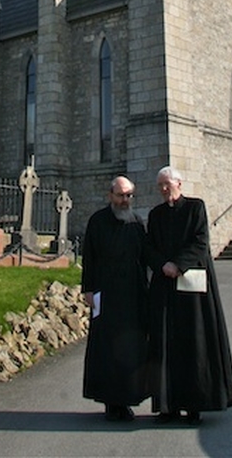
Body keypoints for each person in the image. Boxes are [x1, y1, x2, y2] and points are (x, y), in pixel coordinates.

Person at [147, 166, 232, 425]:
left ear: (179, 183)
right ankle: (167, 406)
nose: (164, 189)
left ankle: (194, 405)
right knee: (164, 343)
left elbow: (201, 242)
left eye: (168, 184)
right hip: (165, 284)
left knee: (193, 342)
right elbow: (149, 246)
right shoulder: (156, 214)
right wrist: (163, 264)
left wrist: (178, 264)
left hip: (191, 286)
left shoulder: (195, 208)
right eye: (160, 185)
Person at [82, 175, 150, 421]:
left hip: (132, 296)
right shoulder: (98, 221)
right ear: (110, 195)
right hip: (106, 295)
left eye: (129, 195)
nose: (125, 200)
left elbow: (145, 258)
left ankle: (128, 399)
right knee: (106, 350)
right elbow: (89, 257)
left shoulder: (136, 221)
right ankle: (111, 402)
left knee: (131, 349)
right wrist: (88, 290)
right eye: (121, 195)